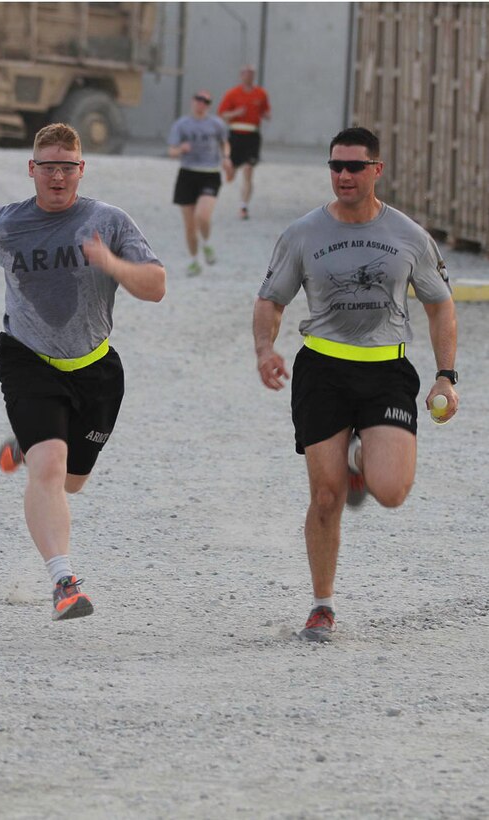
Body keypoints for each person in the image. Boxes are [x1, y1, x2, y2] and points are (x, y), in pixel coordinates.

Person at [253, 126, 458, 642]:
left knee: (391, 492)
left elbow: (440, 306)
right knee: (326, 497)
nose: (343, 175)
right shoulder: (302, 233)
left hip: (387, 370)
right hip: (321, 369)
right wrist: (264, 348)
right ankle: (322, 605)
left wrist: (446, 376)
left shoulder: (409, 235)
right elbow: (270, 300)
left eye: (354, 167)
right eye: (335, 166)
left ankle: (362, 456)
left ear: (376, 170)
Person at [0, 123, 166, 622]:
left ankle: (24, 447)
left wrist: (111, 263)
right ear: (31, 169)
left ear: (81, 169)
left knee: (72, 482)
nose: (57, 176)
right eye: (48, 166)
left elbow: (157, 285)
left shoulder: (107, 220)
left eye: (66, 167)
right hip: (26, 356)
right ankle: (64, 581)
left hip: (94, 368)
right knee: (49, 469)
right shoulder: (4, 223)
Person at [168, 90, 232, 276]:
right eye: (199, 99)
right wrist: (181, 149)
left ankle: (207, 243)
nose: (201, 103)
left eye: (206, 101)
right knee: (189, 225)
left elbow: (225, 143)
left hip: (210, 173)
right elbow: (171, 151)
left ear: (209, 105)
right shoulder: (182, 124)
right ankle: (194, 260)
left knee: (202, 216)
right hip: (187, 174)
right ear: (192, 101)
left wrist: (226, 158)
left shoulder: (216, 124)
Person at [217, 65, 271, 221]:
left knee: (248, 169)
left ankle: (243, 206)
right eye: (246, 74)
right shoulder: (233, 94)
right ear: (241, 76)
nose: (249, 76)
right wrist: (236, 113)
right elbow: (222, 114)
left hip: (252, 135)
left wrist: (265, 115)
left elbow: (267, 112)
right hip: (236, 134)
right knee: (231, 174)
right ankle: (229, 169)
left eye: (252, 74)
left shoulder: (261, 94)